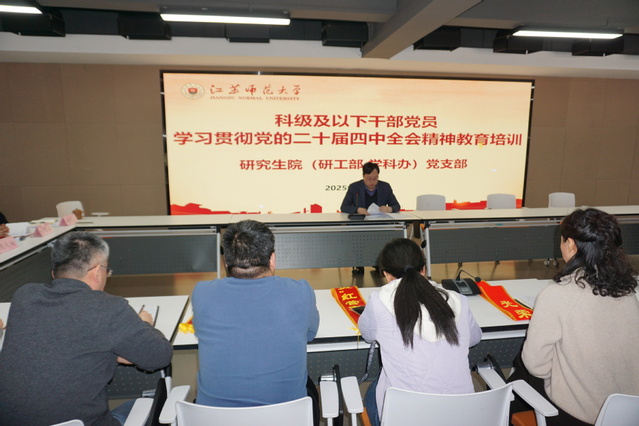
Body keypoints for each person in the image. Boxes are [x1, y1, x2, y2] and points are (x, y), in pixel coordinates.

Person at [0, 231, 172, 426]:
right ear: (97, 271)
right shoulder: (108, 308)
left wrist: (107, 352)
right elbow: (159, 356)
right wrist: (144, 323)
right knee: (149, 404)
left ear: (54, 272)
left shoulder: (24, 296)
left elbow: (59, 339)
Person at [518, 208, 639, 425]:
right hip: (627, 413)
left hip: (578, 414)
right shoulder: (628, 291)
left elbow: (535, 365)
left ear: (571, 245)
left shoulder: (558, 294)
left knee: (521, 366)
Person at [192, 220, 320, 421]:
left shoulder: (202, 293)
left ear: (226, 262)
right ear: (272, 259)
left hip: (215, 420)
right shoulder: (301, 291)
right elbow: (310, 334)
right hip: (286, 418)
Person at [358, 238, 482, 426]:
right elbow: (474, 338)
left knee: (372, 392)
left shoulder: (378, 300)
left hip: (405, 417)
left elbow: (368, 334)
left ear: (386, 275)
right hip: (460, 416)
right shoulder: (458, 300)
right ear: (423, 269)